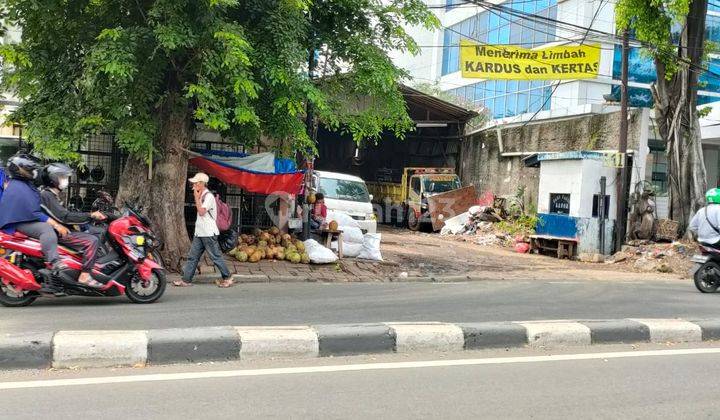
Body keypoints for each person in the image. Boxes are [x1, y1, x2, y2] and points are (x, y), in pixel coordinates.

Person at [0, 154, 68, 293]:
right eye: (30, 170)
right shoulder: (19, 188)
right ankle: (54, 262)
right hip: (19, 223)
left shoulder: (22, 184)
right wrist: (55, 224)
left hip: (20, 220)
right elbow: (33, 213)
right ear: (20, 170)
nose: (33, 172)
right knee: (46, 229)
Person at [39, 163, 107, 289]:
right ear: (53, 179)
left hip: (57, 230)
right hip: (57, 233)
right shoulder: (47, 195)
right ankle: (85, 276)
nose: (65, 180)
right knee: (92, 241)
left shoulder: (50, 194)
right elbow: (64, 216)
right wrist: (90, 215)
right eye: (62, 177)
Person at [174, 172, 234, 288]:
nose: (193, 185)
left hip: (208, 233)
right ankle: (186, 280)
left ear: (202, 184)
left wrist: (196, 198)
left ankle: (228, 277)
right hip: (200, 233)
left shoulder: (209, 196)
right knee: (193, 257)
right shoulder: (202, 195)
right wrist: (197, 197)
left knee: (215, 256)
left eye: (195, 183)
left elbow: (202, 212)